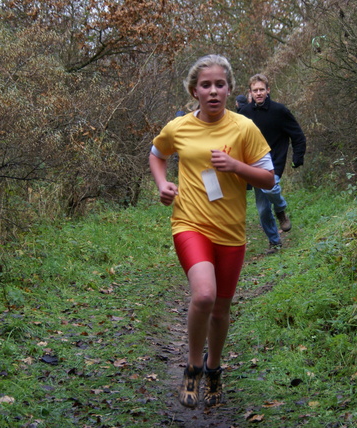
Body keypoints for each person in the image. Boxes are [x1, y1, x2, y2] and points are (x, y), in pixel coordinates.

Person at [149, 55, 274, 408]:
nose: (214, 91)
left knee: (221, 309)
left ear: (230, 89)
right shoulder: (179, 127)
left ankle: (214, 368)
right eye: (206, 85)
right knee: (204, 295)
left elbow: (269, 178)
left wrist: (236, 166)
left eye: (220, 84)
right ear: (195, 91)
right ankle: (192, 366)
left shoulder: (244, 128)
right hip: (189, 223)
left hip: (231, 232)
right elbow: (157, 154)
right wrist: (163, 184)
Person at [238, 73, 306, 254]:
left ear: (268, 90)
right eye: (255, 90)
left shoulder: (279, 111)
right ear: (250, 93)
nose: (258, 93)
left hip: (275, 161)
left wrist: (297, 157)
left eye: (261, 89)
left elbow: (297, 135)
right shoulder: (244, 114)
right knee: (262, 209)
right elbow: (235, 139)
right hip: (253, 166)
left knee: (271, 188)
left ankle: (281, 209)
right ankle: (275, 242)